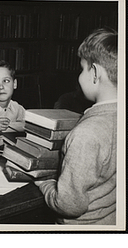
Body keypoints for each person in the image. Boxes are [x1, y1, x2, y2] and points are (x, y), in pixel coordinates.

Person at [35, 28, 118, 225]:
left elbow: (69, 204)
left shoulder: (87, 133)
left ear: (96, 73)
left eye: (82, 69)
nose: (79, 77)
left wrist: (45, 184)